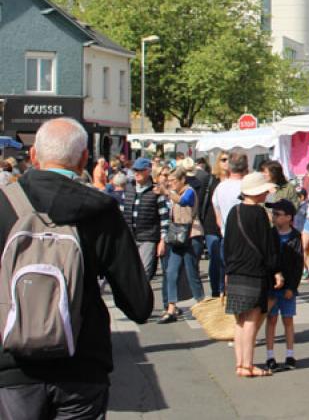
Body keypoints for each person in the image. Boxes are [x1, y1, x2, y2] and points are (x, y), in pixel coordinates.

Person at [0, 117, 152, 417]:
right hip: (82, 361)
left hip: (12, 365)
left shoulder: (4, 204)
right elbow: (139, 304)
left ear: (33, 156)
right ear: (84, 158)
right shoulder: (102, 211)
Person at [224, 172, 283, 378]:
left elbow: (227, 243)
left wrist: (227, 271)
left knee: (240, 320)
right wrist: (275, 270)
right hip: (254, 271)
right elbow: (267, 247)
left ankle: (240, 364)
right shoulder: (259, 214)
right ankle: (248, 365)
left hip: (235, 270)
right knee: (252, 319)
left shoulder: (234, 212)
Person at [159, 169, 206, 323]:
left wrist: (167, 192)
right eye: (170, 180)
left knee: (192, 272)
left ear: (182, 180)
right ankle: (171, 308)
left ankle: (202, 305)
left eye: (173, 180)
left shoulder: (189, 191)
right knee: (171, 272)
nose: (171, 183)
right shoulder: (173, 193)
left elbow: (184, 201)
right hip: (177, 236)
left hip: (192, 235)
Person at [264, 199, 303, 370]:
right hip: (272, 286)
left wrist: (292, 287)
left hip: (288, 286)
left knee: (288, 319)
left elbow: (298, 265)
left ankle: (290, 354)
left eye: (278, 214)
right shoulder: (270, 234)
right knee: (271, 319)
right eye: (273, 214)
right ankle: (270, 355)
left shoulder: (295, 236)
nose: (274, 217)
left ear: (289, 217)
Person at [124, 156, 169, 293]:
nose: (136, 173)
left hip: (148, 237)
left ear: (148, 171)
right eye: (135, 170)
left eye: (140, 170)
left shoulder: (156, 192)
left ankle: (140, 301)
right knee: (130, 272)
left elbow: (164, 218)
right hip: (130, 237)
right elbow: (122, 212)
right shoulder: (129, 188)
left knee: (144, 273)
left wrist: (163, 240)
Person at [200, 154, 226, 298]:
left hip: (229, 225)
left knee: (226, 258)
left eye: (228, 160)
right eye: (223, 160)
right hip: (211, 225)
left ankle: (225, 288)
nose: (226, 163)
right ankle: (216, 289)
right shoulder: (210, 180)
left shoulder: (233, 180)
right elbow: (202, 202)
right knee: (216, 257)